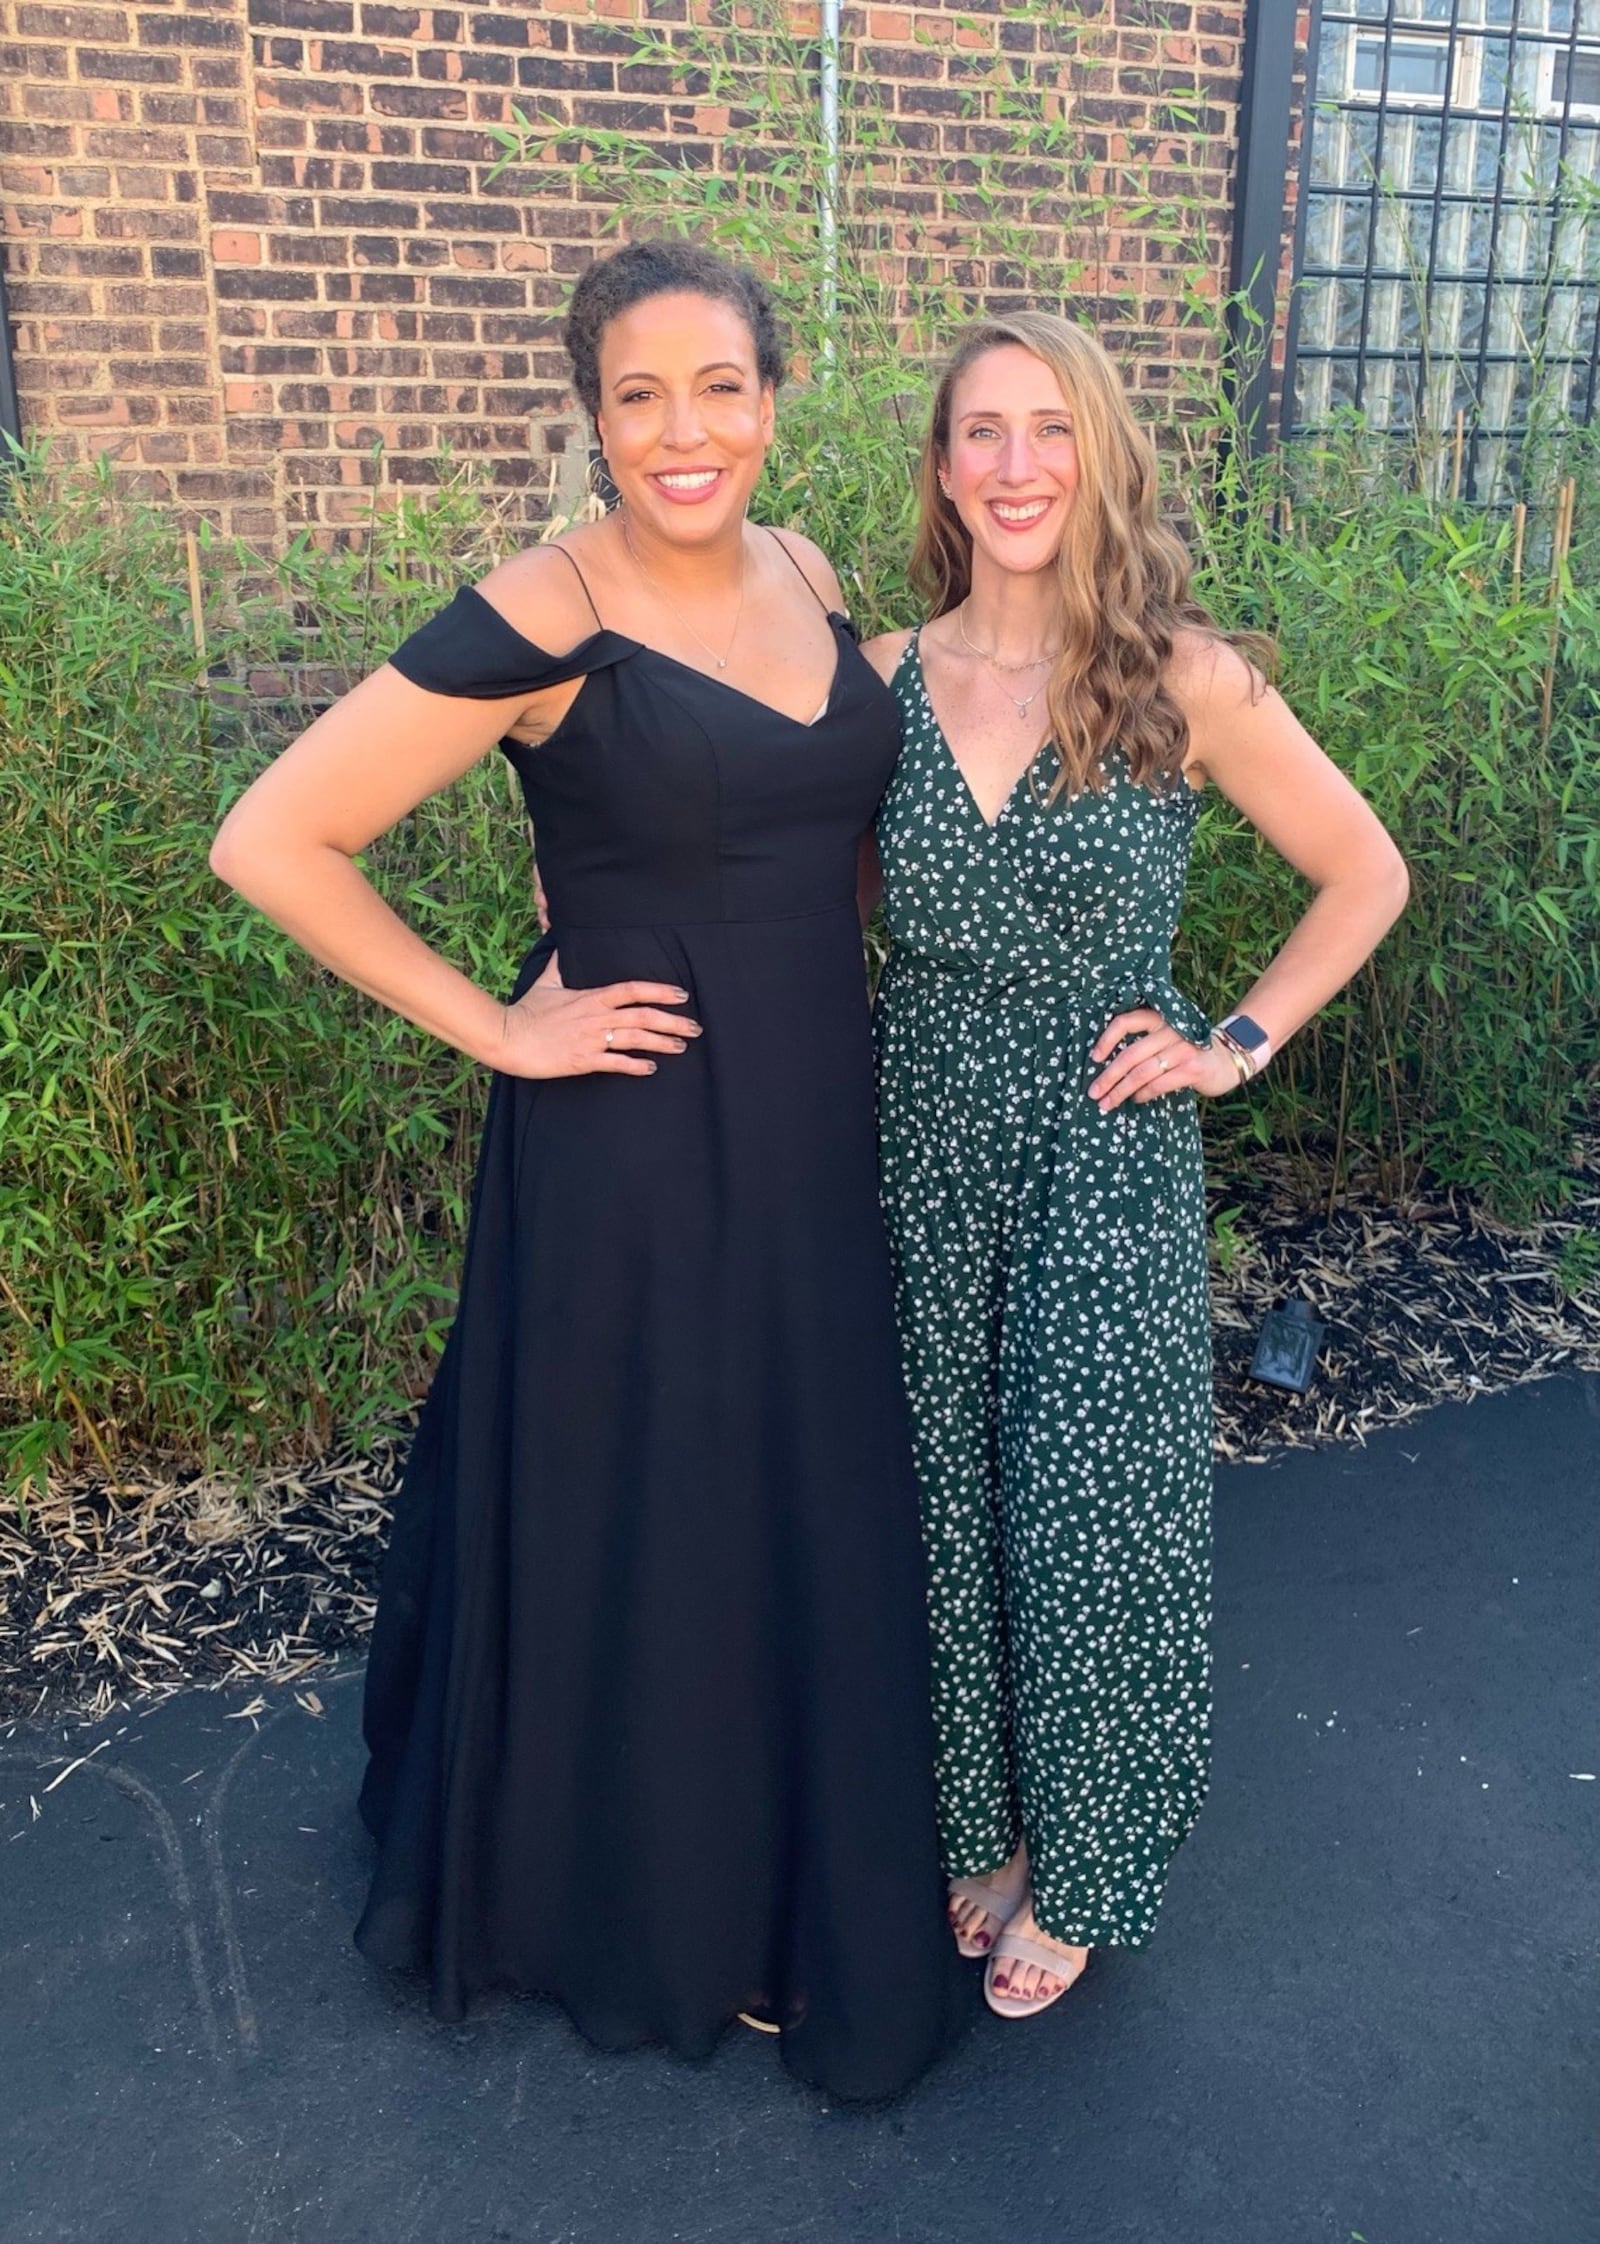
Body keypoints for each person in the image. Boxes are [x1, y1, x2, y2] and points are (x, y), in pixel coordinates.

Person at [209, 238, 962, 2101]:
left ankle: (793, 1865)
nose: (683, 430)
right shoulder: (542, 614)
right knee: (673, 1507)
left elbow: (809, 826)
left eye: (719, 387)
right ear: (594, 421)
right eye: (639, 396)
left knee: (796, 1490)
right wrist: (506, 1024)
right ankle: (655, 1905)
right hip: (635, 1149)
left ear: (776, 398)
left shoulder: (809, 571)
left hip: (812, 1124)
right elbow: (275, 837)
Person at [860, 313, 1409, 2019]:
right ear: (943, 469)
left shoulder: (1184, 676)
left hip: (1108, 1139)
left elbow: (1364, 873)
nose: (1017, 466)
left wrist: (1230, 1041)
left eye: (1049, 429)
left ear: (1100, 452)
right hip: (924, 1121)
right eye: (981, 434)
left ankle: (1091, 1861)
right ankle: (987, 1820)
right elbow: (817, 902)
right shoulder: (875, 677)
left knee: (1097, 1508)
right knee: (940, 1488)